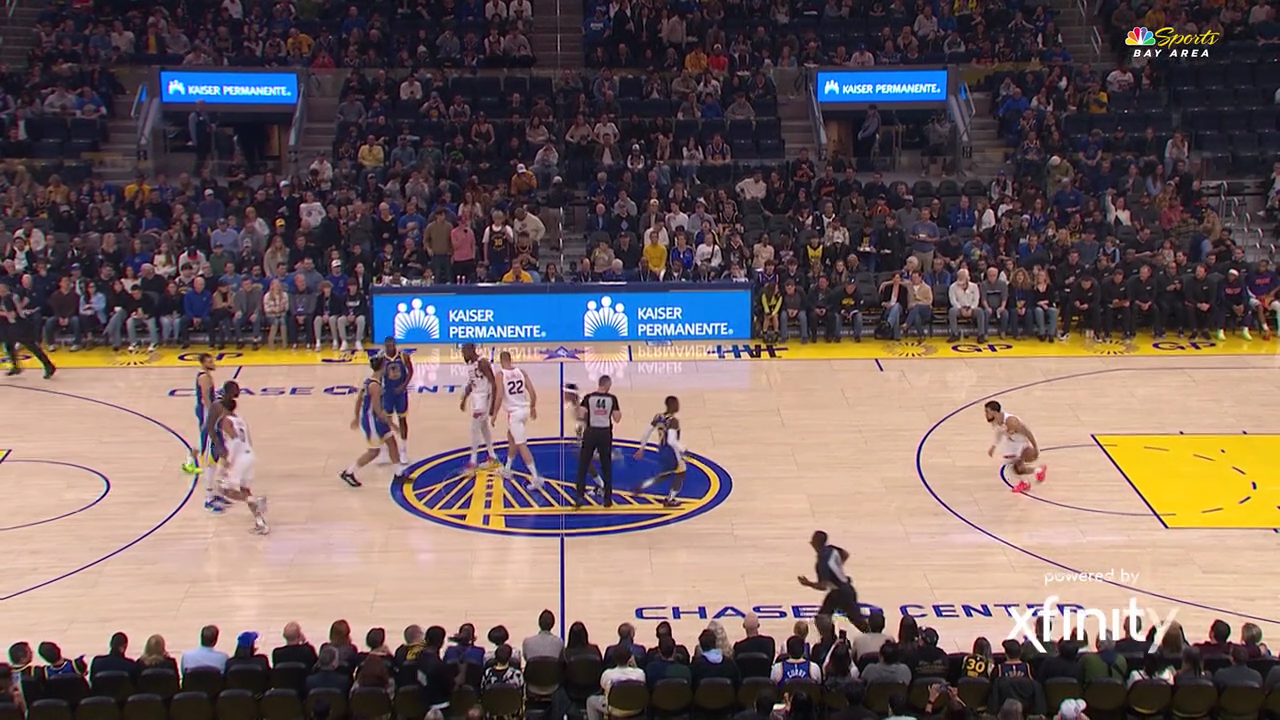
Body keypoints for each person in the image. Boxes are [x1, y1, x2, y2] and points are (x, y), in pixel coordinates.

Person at [341, 356, 408, 487]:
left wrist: (356, 417)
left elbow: (359, 400)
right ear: (382, 367)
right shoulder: (375, 386)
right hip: (373, 422)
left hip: (375, 420)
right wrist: (392, 425)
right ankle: (349, 472)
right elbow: (378, 410)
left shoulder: (369, 381)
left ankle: (398, 474)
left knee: (392, 444)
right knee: (374, 452)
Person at [797, 530, 869, 632]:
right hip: (841, 590)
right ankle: (870, 633)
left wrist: (808, 583)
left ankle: (871, 634)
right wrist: (838, 569)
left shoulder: (822, 562)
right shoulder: (831, 549)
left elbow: (823, 586)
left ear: (816, 543)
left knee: (853, 620)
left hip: (842, 593)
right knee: (824, 616)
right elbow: (845, 554)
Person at [184, 353, 229, 512]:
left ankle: (215, 493)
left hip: (208, 415)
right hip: (207, 415)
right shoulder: (204, 377)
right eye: (210, 361)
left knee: (217, 454)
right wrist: (212, 415)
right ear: (203, 363)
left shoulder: (207, 376)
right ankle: (208, 499)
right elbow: (205, 399)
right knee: (210, 456)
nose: (213, 363)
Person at [217, 396, 268, 535]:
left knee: (224, 490)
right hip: (249, 455)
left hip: (239, 458)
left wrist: (229, 461)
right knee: (245, 490)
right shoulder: (241, 420)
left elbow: (235, 441)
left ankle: (256, 501)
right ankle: (260, 522)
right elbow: (248, 441)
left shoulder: (226, 421)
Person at [577, 374, 622, 506]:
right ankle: (607, 499)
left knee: (584, 464)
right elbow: (617, 418)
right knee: (606, 466)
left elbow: (580, 414)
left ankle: (579, 496)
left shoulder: (588, 397)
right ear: (607, 385)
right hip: (605, 433)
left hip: (591, 432)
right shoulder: (612, 398)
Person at [497, 350, 541, 486]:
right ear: (511, 359)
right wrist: (533, 407)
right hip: (525, 411)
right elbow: (533, 393)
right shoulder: (521, 372)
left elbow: (499, 396)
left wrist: (494, 414)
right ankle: (507, 468)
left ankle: (535, 477)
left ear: (501, 361)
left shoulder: (500, 374)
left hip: (515, 414)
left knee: (521, 445)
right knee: (511, 437)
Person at [984, 400, 1047, 493]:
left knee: (1010, 466)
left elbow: (1027, 432)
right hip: (1011, 443)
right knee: (1018, 469)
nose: (985, 414)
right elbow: (999, 432)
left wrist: (1035, 447)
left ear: (995, 412)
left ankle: (1025, 482)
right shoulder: (996, 421)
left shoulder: (1012, 421)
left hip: (1020, 443)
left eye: (987, 411)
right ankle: (1038, 471)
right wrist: (994, 446)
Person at [635, 396, 685, 507]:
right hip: (671, 452)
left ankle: (644, 485)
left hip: (661, 450)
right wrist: (683, 449)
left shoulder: (658, 417)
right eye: (676, 403)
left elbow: (647, 432)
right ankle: (670, 499)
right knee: (681, 473)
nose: (678, 406)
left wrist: (642, 448)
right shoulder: (673, 421)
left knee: (665, 474)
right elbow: (671, 440)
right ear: (673, 405)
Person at [0, 278, 55, 378]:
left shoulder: (8, 298)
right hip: (13, 325)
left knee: (32, 347)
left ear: (3, 289)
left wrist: (2, 313)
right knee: (8, 345)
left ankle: (49, 366)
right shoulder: (10, 296)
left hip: (19, 325)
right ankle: (15, 367)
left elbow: (12, 315)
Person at [460, 343, 499, 470]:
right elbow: (472, 384)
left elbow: (493, 383)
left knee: (474, 428)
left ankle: (473, 461)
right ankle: (492, 456)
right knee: (483, 428)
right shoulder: (471, 365)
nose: (463, 355)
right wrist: (464, 399)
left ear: (472, 350)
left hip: (485, 398)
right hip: (477, 399)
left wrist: (492, 406)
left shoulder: (483, 363)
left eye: (464, 352)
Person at [381, 337, 413, 464]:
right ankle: (385, 450)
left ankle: (403, 450)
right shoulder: (381, 359)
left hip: (401, 394)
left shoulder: (403, 356)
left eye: (392, 345)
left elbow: (410, 372)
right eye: (388, 346)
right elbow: (377, 375)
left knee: (402, 420)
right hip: (388, 393)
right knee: (386, 421)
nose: (390, 348)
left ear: (395, 345)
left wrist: (403, 386)